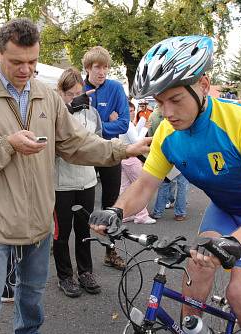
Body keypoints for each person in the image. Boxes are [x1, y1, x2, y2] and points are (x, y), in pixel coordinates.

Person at [0, 18, 150, 334]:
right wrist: (6, 145)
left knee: (32, 304)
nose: (26, 70)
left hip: (38, 222)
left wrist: (123, 149)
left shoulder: (46, 95)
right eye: (16, 62)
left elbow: (76, 143)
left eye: (32, 62)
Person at [89, 36, 241, 333]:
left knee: (239, 292)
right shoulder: (166, 135)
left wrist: (237, 243)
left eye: (175, 99)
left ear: (202, 85)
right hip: (224, 210)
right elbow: (145, 185)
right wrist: (117, 210)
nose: (168, 112)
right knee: (196, 267)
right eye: (159, 102)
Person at [54, 67, 101, 298]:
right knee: (61, 233)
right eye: (70, 94)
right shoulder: (55, 110)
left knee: (84, 230)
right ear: (60, 93)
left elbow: (98, 140)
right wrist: (69, 109)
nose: (74, 98)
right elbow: (62, 144)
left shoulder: (91, 112)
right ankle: (64, 276)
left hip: (87, 180)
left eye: (77, 93)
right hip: (61, 183)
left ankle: (85, 272)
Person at [83, 46, 130, 271]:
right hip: (87, 153)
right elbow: (74, 127)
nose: (102, 72)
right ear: (88, 68)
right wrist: (107, 124)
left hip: (111, 151)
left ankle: (111, 251)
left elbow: (124, 123)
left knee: (112, 206)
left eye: (105, 67)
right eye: (97, 67)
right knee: (82, 204)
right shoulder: (79, 88)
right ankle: (78, 254)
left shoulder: (115, 88)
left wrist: (96, 127)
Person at [148, 106, 189, 222]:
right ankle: (180, 213)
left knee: (164, 184)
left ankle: (157, 212)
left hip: (165, 156)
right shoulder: (184, 120)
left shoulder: (154, 118)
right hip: (183, 157)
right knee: (182, 185)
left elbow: (151, 135)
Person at [119, 102, 156, 224]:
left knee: (124, 187)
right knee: (141, 186)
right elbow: (136, 141)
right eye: (129, 111)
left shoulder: (125, 123)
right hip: (131, 158)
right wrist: (145, 128)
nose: (132, 112)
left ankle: (124, 214)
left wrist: (142, 126)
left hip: (124, 158)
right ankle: (142, 215)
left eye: (132, 110)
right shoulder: (127, 124)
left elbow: (134, 135)